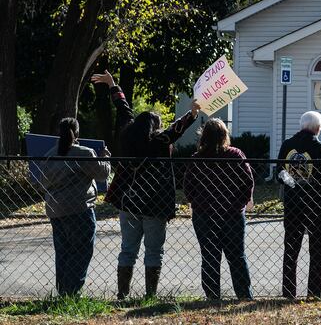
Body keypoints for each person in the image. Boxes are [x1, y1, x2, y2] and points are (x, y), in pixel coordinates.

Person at [91, 70, 200, 300]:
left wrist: (114, 86)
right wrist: (192, 114)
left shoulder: (126, 136)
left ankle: (122, 293)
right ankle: (150, 295)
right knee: (154, 251)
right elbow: (175, 130)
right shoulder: (159, 142)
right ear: (154, 129)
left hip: (129, 203)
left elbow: (123, 111)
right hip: (155, 206)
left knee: (127, 250)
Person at [184, 118, 254, 300]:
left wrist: (198, 203)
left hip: (204, 214)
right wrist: (239, 204)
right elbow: (248, 182)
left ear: (204, 136)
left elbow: (188, 187)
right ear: (225, 135)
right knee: (237, 256)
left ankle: (212, 296)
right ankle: (244, 295)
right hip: (232, 214)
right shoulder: (235, 155)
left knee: (209, 256)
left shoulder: (197, 159)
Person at [41, 118, 111, 296]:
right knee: (81, 251)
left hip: (56, 210)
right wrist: (105, 159)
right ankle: (72, 292)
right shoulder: (84, 153)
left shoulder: (50, 155)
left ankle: (63, 289)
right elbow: (102, 174)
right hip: (80, 208)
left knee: (63, 252)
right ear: (77, 133)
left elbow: (43, 182)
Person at [275, 111, 321, 299]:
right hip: (316, 206)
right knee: (317, 250)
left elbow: (279, 172)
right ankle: (314, 292)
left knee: (291, 249)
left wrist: (294, 185)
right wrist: (314, 187)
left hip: (293, 205)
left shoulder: (287, 145)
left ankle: (288, 292)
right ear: (318, 128)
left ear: (301, 125)